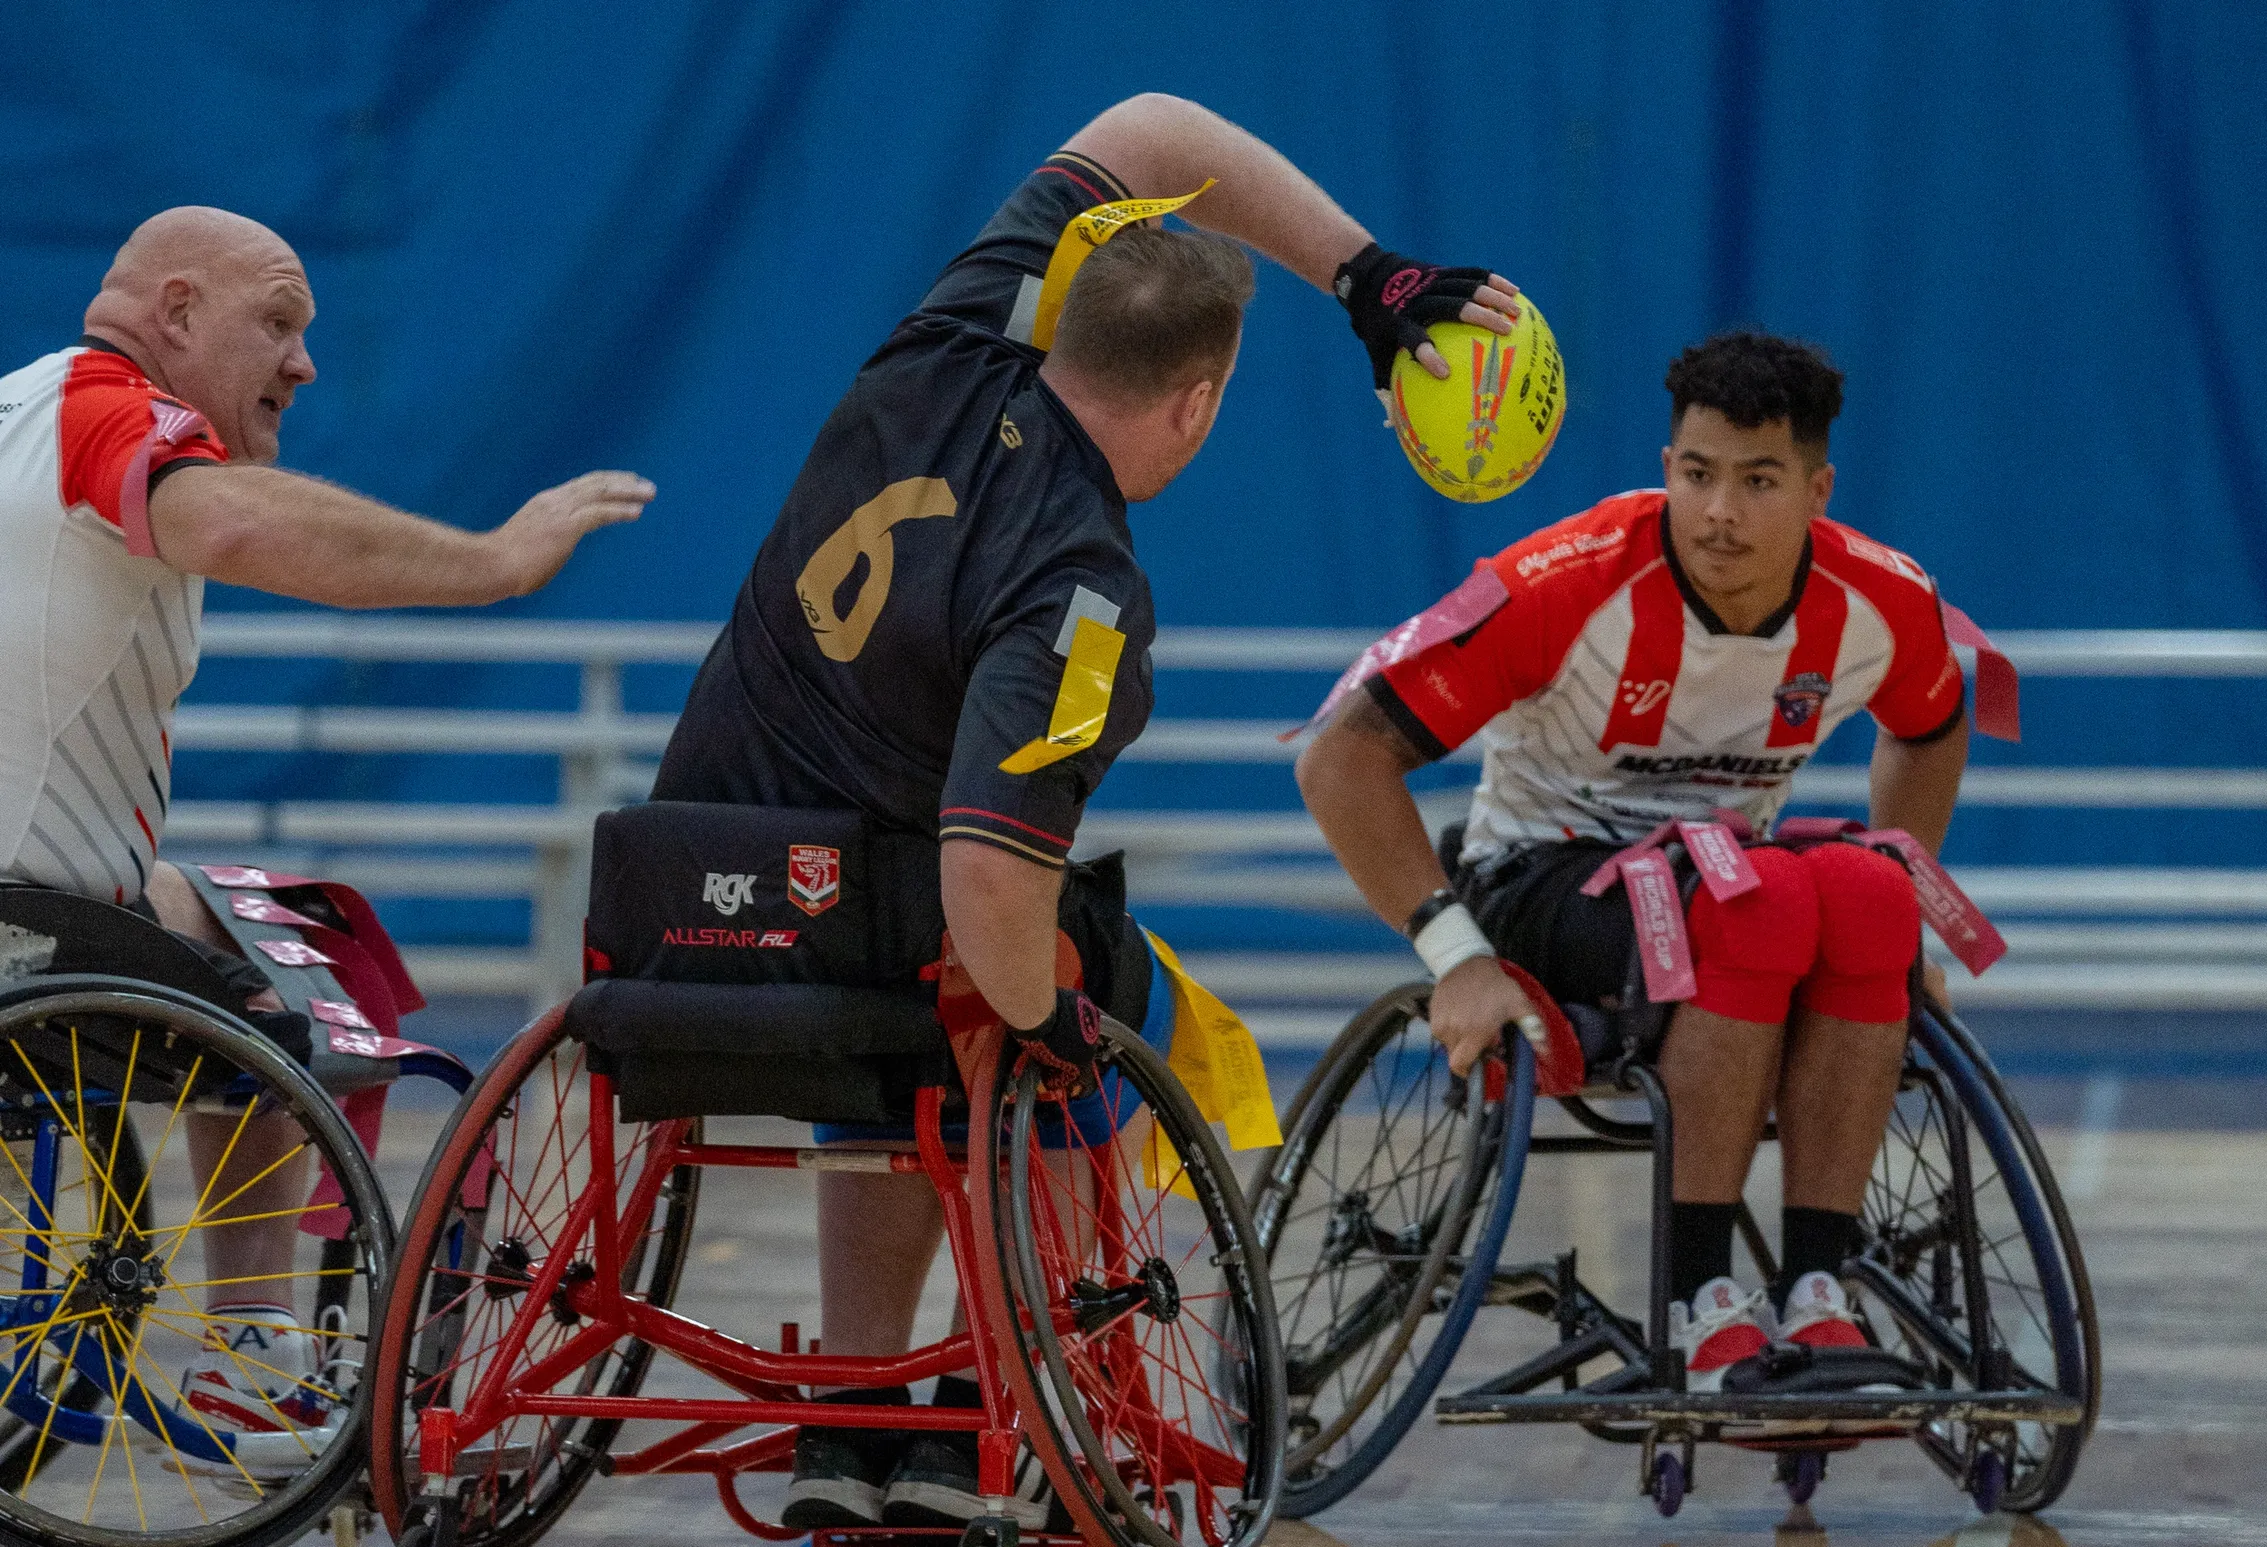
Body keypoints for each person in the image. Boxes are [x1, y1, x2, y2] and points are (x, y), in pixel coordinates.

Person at [651, 92, 1521, 1528]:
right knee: (1084, 996)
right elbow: (993, 892)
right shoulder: (1082, 585)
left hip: (682, 902)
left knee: (919, 947)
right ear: (1196, 403)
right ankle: (1027, 1390)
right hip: (867, 943)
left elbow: (1154, 122)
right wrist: (1051, 1020)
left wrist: (1372, 273)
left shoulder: (947, 338)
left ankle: (850, 1402)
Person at [0, 206, 654, 1456]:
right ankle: (249, 1346)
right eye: (280, 324)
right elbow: (238, 523)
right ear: (175, 313)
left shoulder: (19, 406)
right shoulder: (107, 411)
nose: (304, 363)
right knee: (287, 977)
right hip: (30, 924)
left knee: (290, 912)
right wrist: (496, 559)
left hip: (52, 898)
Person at [1294, 332, 1974, 1393]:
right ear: (1666, 469)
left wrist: (1908, 916)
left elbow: (1931, 725)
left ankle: (1817, 1294)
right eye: (1697, 475)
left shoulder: (1881, 601)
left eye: (1758, 482)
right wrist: (1457, 955)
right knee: (1763, 905)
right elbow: (1342, 757)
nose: (1719, 513)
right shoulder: (1560, 584)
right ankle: (1699, 1302)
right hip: (1538, 879)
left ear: (1816, 488)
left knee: (1869, 896)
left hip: (1738, 876)